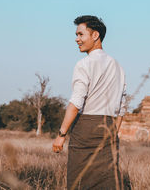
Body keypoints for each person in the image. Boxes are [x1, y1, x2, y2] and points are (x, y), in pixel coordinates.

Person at [52, 15, 127, 190]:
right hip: (109, 128)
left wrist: (61, 135)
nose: (77, 39)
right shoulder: (118, 66)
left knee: (79, 181)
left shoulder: (84, 64)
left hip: (86, 127)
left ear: (95, 35)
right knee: (108, 182)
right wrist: (113, 132)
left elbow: (76, 102)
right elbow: (122, 107)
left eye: (81, 34)